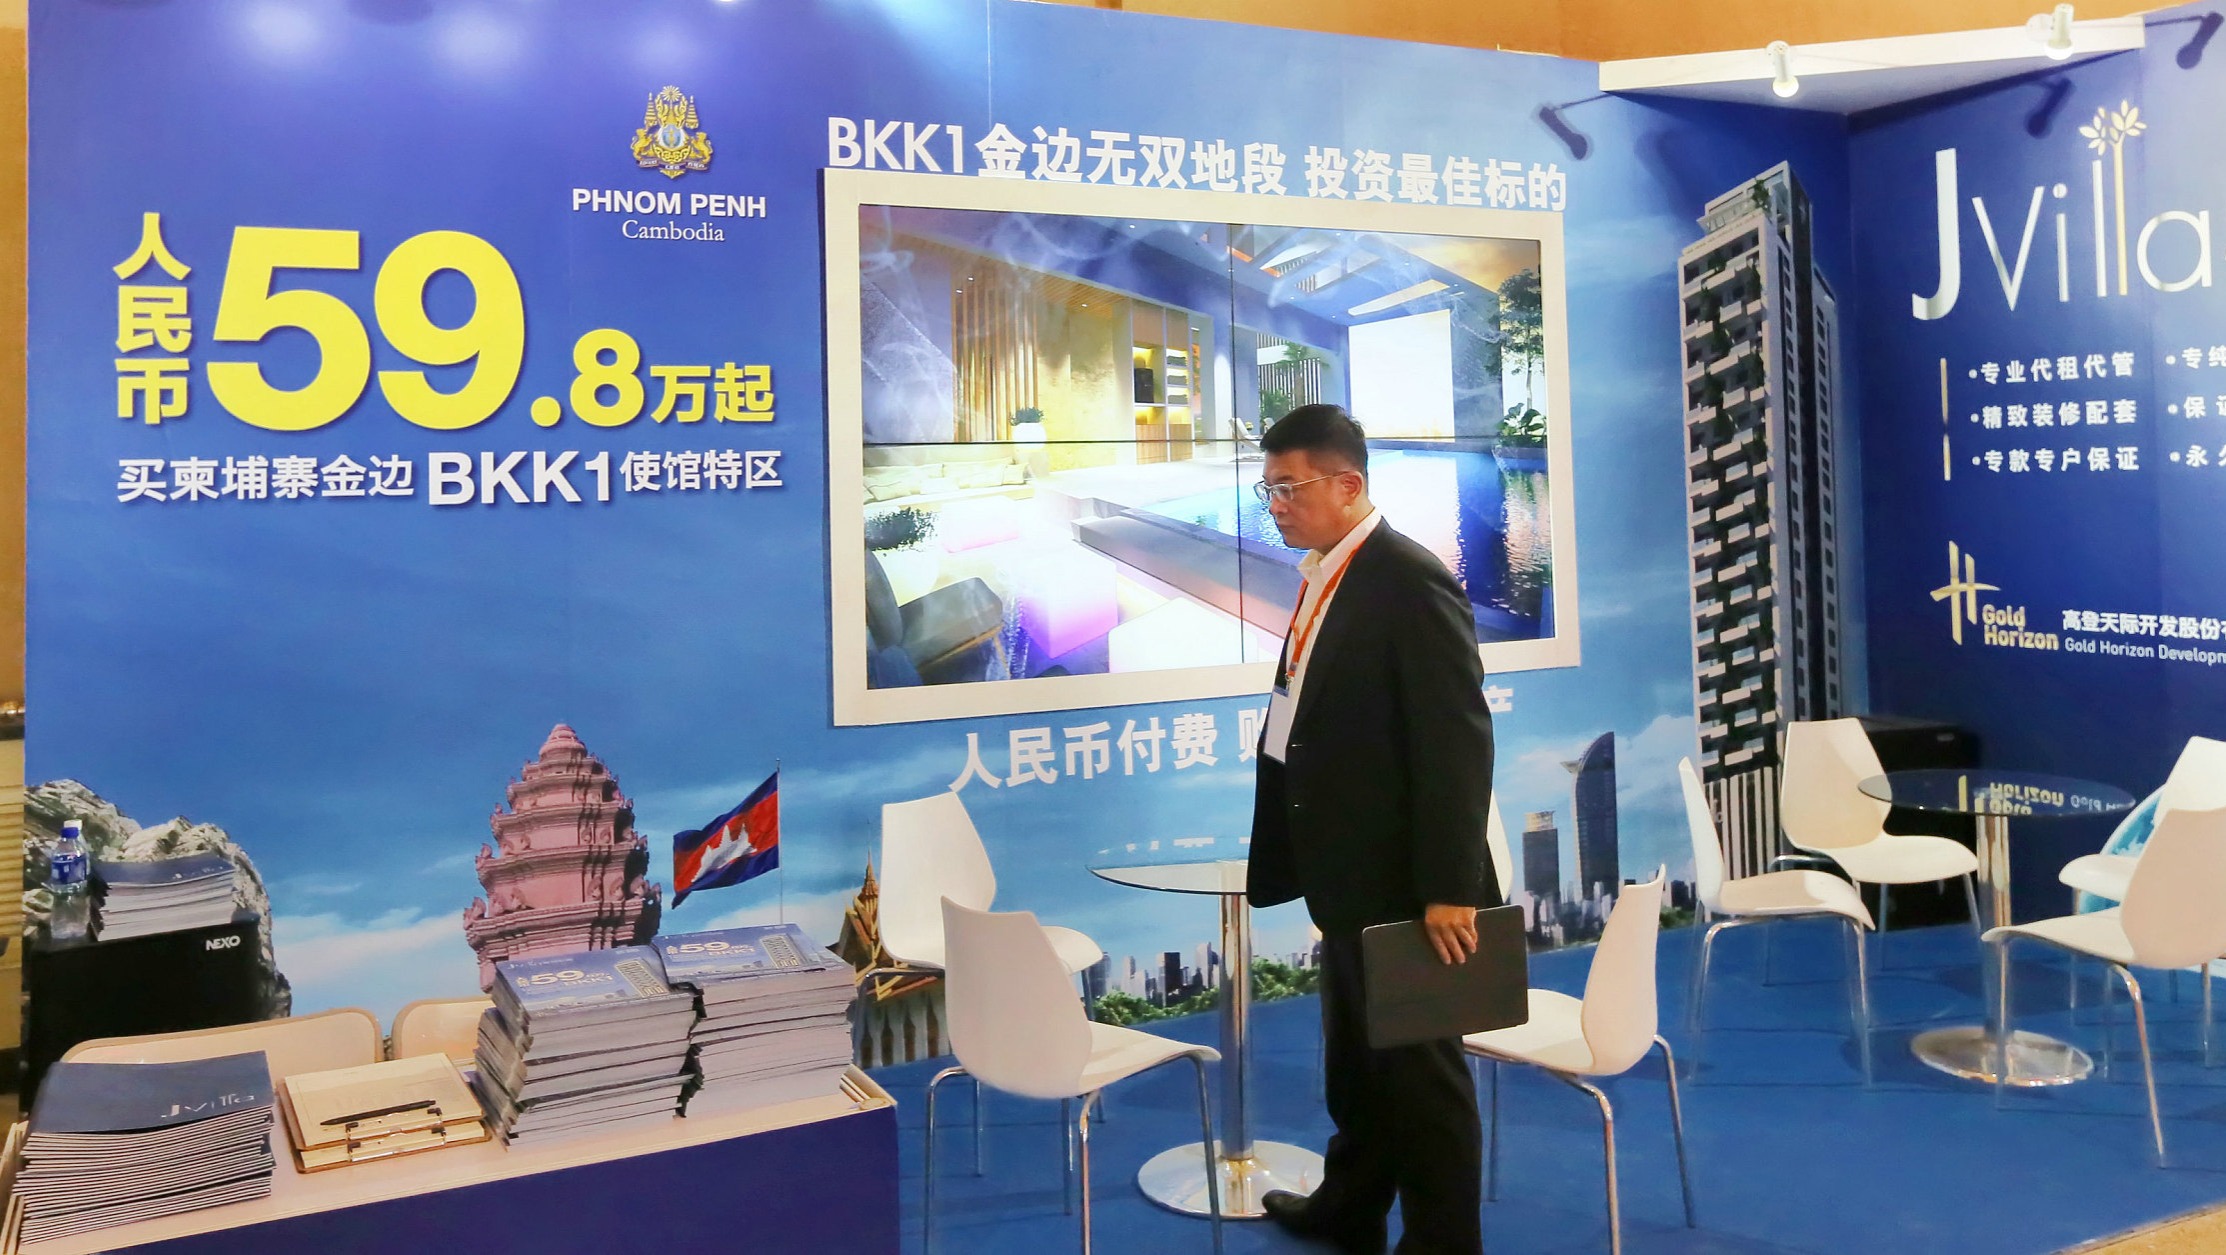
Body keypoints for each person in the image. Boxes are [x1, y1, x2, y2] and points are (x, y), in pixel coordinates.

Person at [1245, 403, 1499, 1255]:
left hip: (1404, 880)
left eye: (1290, 487)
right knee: (1355, 1059)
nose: (1276, 505)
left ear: (1348, 484)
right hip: (1346, 868)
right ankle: (1351, 1203)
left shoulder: (1407, 579)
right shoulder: (1329, 570)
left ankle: (1443, 1243)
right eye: (1269, 489)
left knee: (1423, 1075)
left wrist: (1448, 888)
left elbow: (1456, 742)